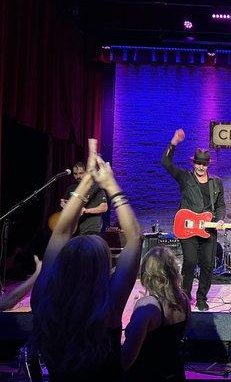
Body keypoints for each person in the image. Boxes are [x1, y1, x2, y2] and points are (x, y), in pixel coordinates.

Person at [30, 139, 142, 381]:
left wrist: (86, 182)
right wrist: (111, 184)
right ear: (103, 269)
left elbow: (60, 232)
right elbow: (135, 238)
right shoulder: (107, 310)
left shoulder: (45, 298)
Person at [162, 128, 226, 311]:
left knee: (207, 264)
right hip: (188, 227)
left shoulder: (217, 182)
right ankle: (185, 295)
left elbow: (220, 204)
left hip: (209, 228)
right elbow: (166, 163)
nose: (200, 167)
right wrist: (173, 142)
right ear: (194, 163)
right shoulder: (185, 178)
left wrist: (220, 219)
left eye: (204, 164)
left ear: (208, 165)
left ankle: (202, 298)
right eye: (198, 163)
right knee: (190, 261)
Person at [122, 246, 191, 382]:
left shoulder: (147, 306)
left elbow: (129, 353)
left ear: (147, 273)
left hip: (148, 374)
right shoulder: (184, 300)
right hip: (174, 372)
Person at [60, 161, 108, 235]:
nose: (78, 176)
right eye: (75, 174)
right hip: (73, 230)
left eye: (81, 173)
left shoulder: (96, 187)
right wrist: (64, 205)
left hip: (91, 230)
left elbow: (104, 207)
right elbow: (63, 203)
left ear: (86, 173)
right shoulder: (71, 188)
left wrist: (86, 210)